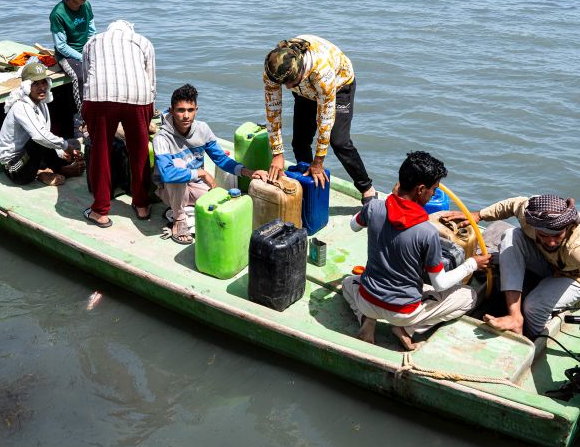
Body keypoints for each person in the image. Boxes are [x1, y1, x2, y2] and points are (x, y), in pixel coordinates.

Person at [342, 151, 490, 351]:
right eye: (433, 190)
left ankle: (366, 320)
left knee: (348, 282)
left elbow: (353, 225)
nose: (432, 195)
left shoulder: (374, 208)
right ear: (421, 189)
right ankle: (408, 329)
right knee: (469, 296)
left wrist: (387, 202)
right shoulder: (427, 232)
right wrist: (472, 264)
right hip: (403, 312)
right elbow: (439, 284)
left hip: (368, 301)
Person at [459, 194, 580, 350]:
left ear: (567, 227)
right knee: (511, 235)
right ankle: (515, 317)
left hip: (574, 276)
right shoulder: (530, 212)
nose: (551, 242)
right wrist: (479, 215)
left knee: (534, 306)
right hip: (547, 262)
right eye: (543, 235)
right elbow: (513, 204)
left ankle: (531, 340)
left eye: (556, 235)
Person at [263, 35, 377, 200]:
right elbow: (272, 110)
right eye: (284, 83)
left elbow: (326, 120)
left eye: (291, 82)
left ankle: (367, 189)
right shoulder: (273, 69)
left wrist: (319, 162)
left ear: (300, 71)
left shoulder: (321, 71)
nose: (287, 88)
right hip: (304, 90)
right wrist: (277, 154)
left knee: (339, 141)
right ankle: (309, 184)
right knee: (300, 142)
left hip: (338, 85)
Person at [153, 84, 270, 243]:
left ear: (196, 110)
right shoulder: (161, 138)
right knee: (178, 166)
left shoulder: (203, 129)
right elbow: (167, 174)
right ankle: (179, 220)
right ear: (172, 110)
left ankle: (180, 208)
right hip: (168, 189)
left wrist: (248, 172)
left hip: (195, 185)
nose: (186, 116)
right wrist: (202, 173)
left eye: (190, 110)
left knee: (223, 205)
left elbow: (221, 159)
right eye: (181, 110)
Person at [81, 19, 156, 228]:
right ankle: (142, 206)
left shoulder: (93, 41)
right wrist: (148, 112)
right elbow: (151, 81)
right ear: (130, 30)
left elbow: (87, 77)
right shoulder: (143, 41)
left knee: (100, 152)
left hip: (99, 97)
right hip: (138, 97)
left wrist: (86, 114)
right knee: (140, 151)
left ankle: (100, 211)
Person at [0, 63, 85, 186]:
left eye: (43, 83)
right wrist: (65, 147)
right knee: (42, 140)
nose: (42, 87)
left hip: (32, 156)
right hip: (15, 168)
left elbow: (46, 135)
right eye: (36, 84)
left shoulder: (41, 103)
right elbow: (40, 137)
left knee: (74, 144)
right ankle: (57, 170)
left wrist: (62, 152)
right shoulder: (21, 107)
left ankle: (45, 170)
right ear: (27, 87)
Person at [51, 0, 96, 131]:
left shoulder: (86, 6)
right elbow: (61, 46)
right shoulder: (58, 13)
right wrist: (82, 57)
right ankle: (85, 117)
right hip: (66, 55)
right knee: (80, 76)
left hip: (85, 50)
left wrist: (92, 50)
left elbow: (91, 31)